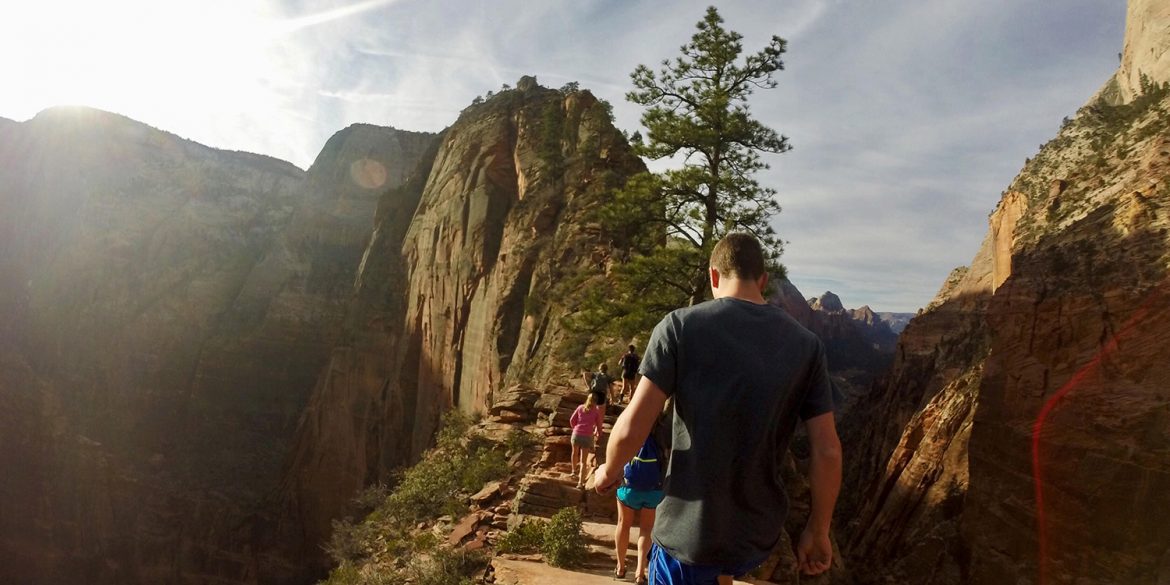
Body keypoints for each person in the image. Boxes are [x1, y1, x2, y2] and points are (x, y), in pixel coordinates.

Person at [594, 232, 842, 584]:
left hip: (688, 531)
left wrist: (609, 470)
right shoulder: (808, 346)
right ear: (763, 281)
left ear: (714, 275)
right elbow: (828, 450)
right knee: (723, 571)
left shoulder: (679, 327)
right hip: (754, 534)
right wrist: (819, 530)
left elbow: (634, 423)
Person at [614, 413, 670, 585]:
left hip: (629, 487)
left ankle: (621, 567)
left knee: (624, 524)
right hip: (654, 488)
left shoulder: (633, 425)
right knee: (646, 529)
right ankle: (640, 572)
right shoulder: (664, 431)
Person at [569, 393, 604, 489]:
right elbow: (599, 426)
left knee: (574, 453)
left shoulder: (580, 408)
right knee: (583, 461)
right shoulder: (596, 411)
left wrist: (575, 428)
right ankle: (580, 483)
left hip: (576, 434)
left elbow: (572, 420)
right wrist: (599, 434)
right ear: (596, 401)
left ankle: (573, 471)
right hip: (587, 436)